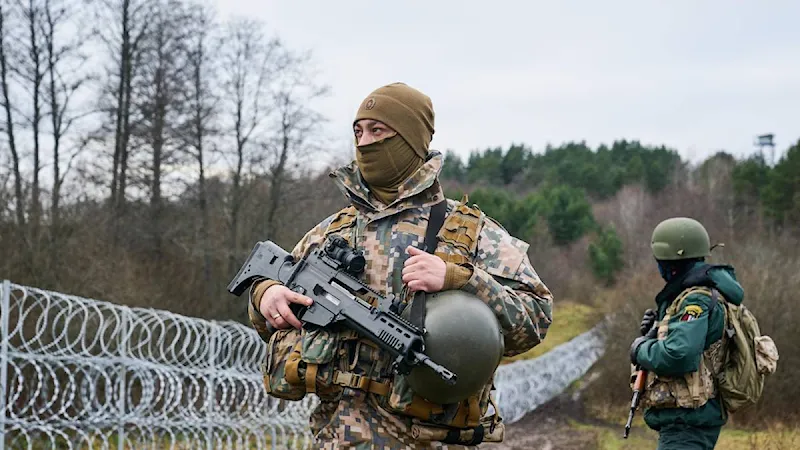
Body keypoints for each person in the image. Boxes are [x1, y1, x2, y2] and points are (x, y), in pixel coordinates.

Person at [245, 82, 554, 449]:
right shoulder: (331, 231)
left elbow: (535, 319)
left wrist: (462, 280)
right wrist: (264, 295)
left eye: (378, 131)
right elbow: (273, 312)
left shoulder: (470, 232)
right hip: (332, 439)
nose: (363, 143)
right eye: (358, 131)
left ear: (410, 140)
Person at [630, 217, 744, 449]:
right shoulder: (694, 294)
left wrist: (641, 349)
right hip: (686, 422)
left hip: (688, 424)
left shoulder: (695, 298)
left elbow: (679, 355)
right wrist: (659, 328)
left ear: (672, 262)